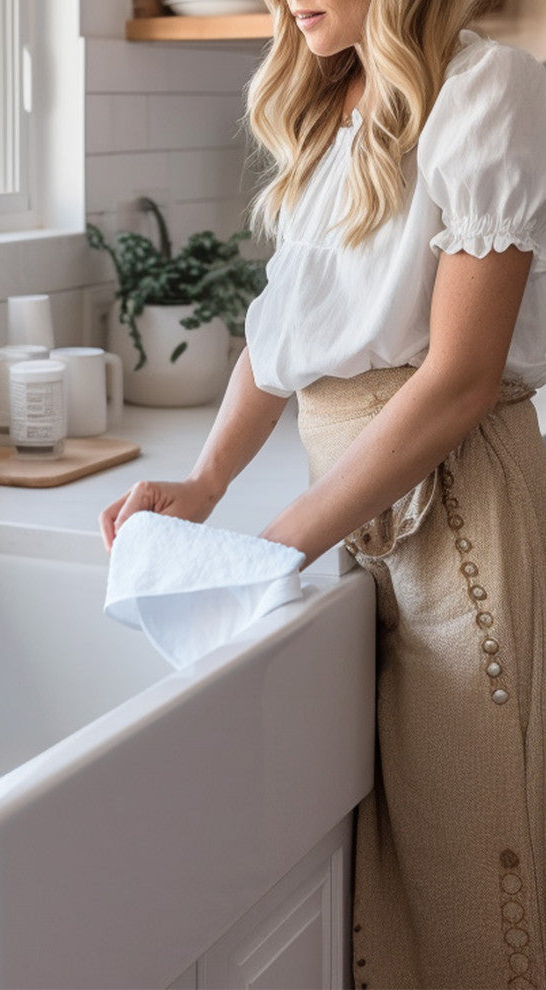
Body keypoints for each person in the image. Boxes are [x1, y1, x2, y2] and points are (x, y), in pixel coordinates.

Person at [100, 2, 546, 986]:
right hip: (358, 505)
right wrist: (206, 482)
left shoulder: (487, 89)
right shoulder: (335, 102)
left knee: (472, 860)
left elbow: (461, 379)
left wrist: (278, 542)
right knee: (393, 865)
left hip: (453, 507)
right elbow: (284, 333)